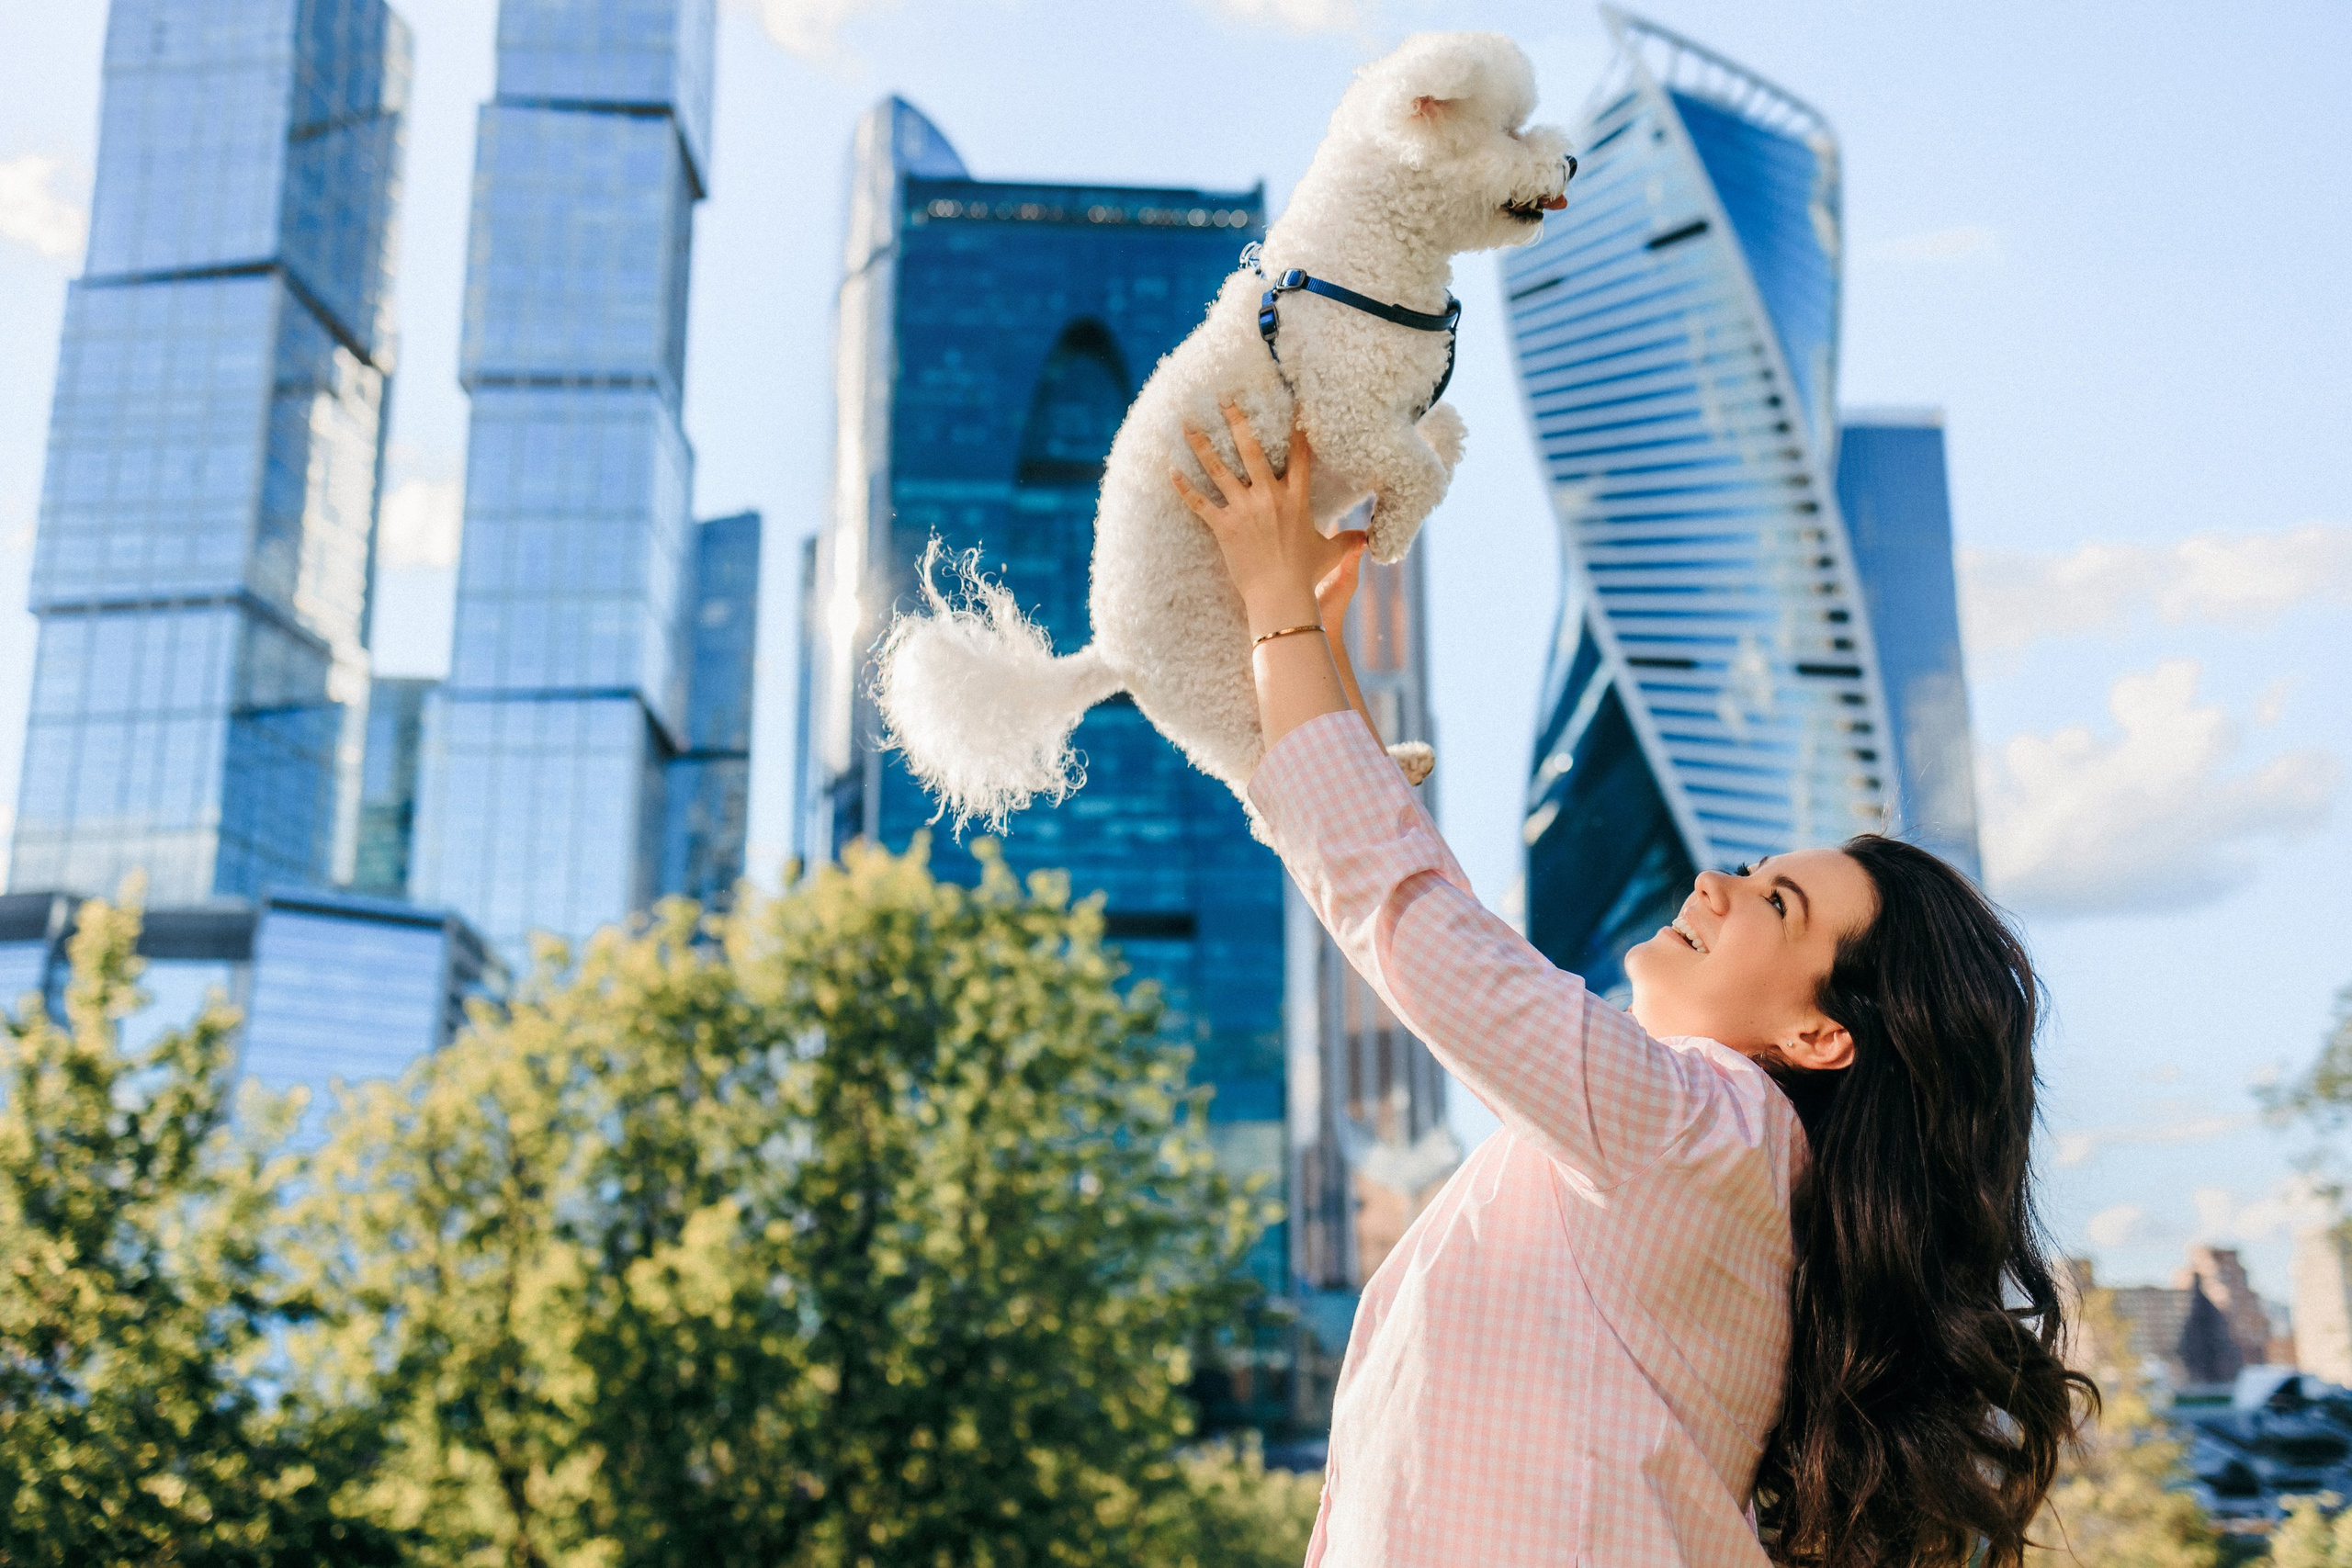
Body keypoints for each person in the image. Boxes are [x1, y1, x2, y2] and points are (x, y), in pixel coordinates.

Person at [1169, 405, 2092, 1568]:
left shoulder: (1704, 1130)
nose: (1714, 883)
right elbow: (1422, 898)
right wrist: (1316, 659)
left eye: (1773, 905)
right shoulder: (1724, 1169)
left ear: (1817, 1035)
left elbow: (1419, 923)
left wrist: (1276, 612)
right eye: (1755, 871)